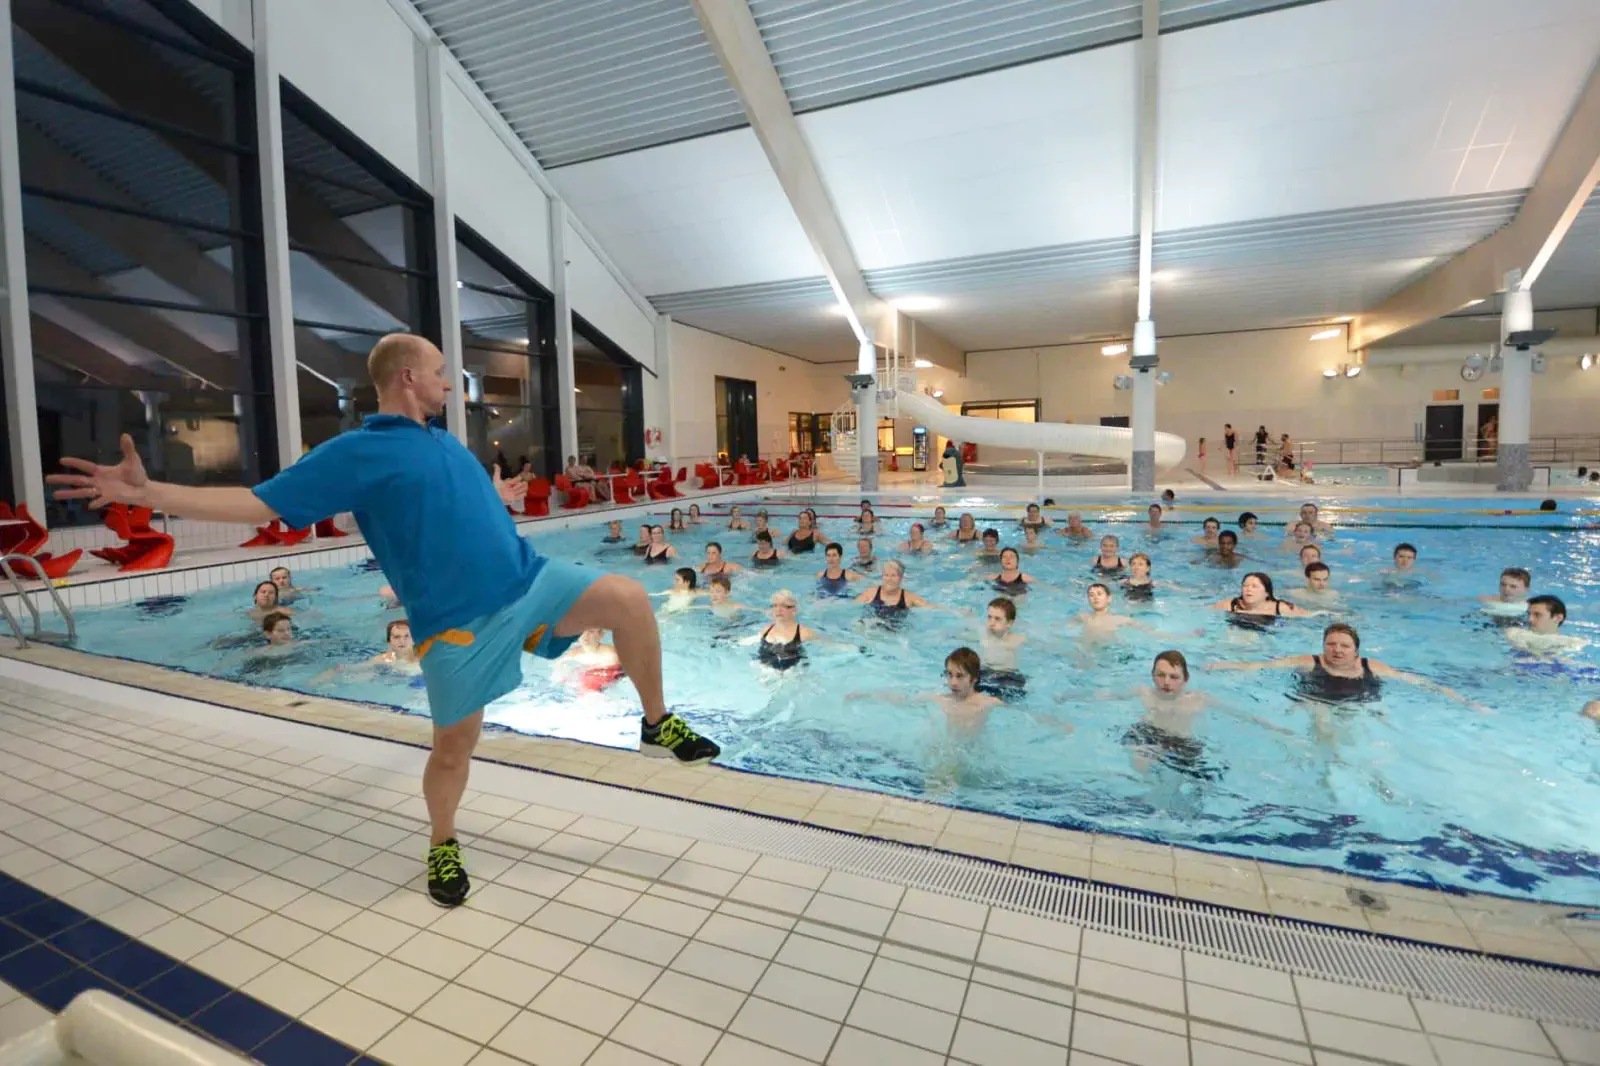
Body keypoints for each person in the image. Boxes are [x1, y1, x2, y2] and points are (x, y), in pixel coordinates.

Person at [50, 332, 719, 908]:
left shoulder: (445, 443)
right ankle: (442, 844)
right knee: (454, 748)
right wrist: (149, 494)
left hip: (529, 580)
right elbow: (260, 505)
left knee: (629, 599)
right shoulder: (356, 454)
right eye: (439, 374)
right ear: (408, 377)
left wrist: (500, 492)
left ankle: (656, 723)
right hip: (454, 624)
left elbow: (455, 494)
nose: (449, 387)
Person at [1208, 622, 1481, 708]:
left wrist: (1464, 701)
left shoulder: (1372, 666)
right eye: (1331, 644)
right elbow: (1263, 666)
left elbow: (1420, 683)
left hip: (1361, 706)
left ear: (1356, 650)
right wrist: (1225, 666)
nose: (1336, 650)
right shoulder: (1309, 662)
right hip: (1318, 703)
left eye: (1344, 646)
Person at [1070, 583, 1188, 642]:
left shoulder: (1121, 620)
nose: (1095, 598)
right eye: (1091, 595)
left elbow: (1152, 633)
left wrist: (1184, 637)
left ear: (1109, 598)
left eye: (1099, 594)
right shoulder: (1082, 617)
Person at [746, 589, 817, 673]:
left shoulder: (804, 633)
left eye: (784, 606)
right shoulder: (766, 630)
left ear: (794, 610)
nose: (779, 610)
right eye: (775, 606)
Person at [1210, 572, 1315, 621]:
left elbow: (1311, 615)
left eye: (1254, 586)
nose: (1249, 589)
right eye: (1245, 586)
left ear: (1267, 593)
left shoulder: (1280, 608)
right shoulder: (1231, 605)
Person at [1507, 595, 1587, 656]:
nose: (1530, 619)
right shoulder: (1516, 634)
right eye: (1529, 614)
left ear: (1558, 618)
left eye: (1537, 615)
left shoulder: (1573, 643)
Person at [854, 559, 935, 618]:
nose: (889, 579)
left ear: (901, 577)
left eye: (893, 575)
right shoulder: (870, 593)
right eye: (886, 575)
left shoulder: (909, 598)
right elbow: (850, 607)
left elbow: (933, 608)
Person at [555, 628, 625, 693]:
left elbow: (616, 671)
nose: (585, 635)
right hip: (585, 681)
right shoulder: (572, 654)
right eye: (581, 631)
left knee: (588, 681)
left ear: (601, 634)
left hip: (605, 678)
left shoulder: (610, 654)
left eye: (591, 631)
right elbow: (558, 669)